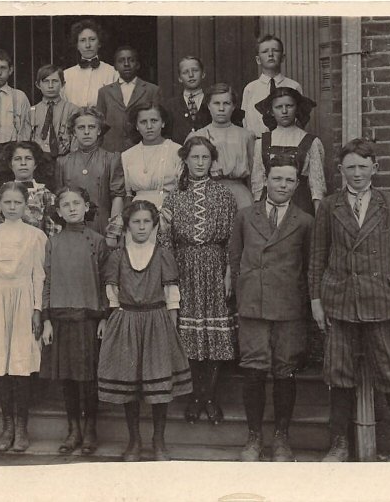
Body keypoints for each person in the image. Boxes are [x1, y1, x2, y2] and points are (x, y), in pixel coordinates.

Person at [309, 138, 390, 462]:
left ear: (375, 168)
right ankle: (340, 443)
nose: (356, 173)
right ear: (340, 170)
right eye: (350, 167)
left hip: (381, 299)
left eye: (363, 166)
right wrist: (316, 299)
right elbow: (317, 256)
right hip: (340, 299)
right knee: (339, 372)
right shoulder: (330, 206)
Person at [229, 154, 314, 462]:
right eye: (277, 178)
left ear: (297, 184)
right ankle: (253, 438)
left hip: (288, 308)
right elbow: (234, 259)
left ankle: (281, 438)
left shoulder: (304, 221)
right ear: (265, 180)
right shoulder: (245, 216)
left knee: (284, 371)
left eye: (290, 180)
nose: (283, 185)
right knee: (253, 371)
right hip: (253, 304)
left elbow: (309, 267)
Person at [98, 200, 192, 462]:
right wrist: (116, 321)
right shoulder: (117, 256)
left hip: (157, 322)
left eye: (146, 222)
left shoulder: (163, 254)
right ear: (127, 225)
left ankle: (158, 440)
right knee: (130, 384)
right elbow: (112, 294)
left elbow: (172, 294)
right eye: (136, 222)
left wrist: (171, 327)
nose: (141, 227)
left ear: (154, 225)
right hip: (126, 321)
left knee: (158, 383)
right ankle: (134, 440)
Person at [159, 136, 236, 426]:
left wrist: (229, 272)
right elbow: (165, 241)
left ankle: (210, 396)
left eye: (205, 158)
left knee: (214, 336)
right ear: (186, 160)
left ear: (212, 161)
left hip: (215, 267)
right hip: (185, 268)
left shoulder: (224, 195)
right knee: (190, 335)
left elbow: (232, 239)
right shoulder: (174, 196)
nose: (200, 163)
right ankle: (194, 397)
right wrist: (170, 279)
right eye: (195, 158)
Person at [0, 182, 48, 453]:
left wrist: (38, 309)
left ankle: (21, 427)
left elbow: (39, 275)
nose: (13, 207)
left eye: (18, 203)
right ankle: (6, 426)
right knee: (0, 364)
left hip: (24, 300)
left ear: (26, 205)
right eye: (7, 203)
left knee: (20, 362)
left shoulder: (35, 236)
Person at [40, 187, 110, 455]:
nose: (71, 208)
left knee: (87, 378)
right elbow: (46, 282)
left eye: (77, 203)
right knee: (67, 377)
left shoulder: (97, 241)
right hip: (60, 318)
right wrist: (46, 320)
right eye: (66, 205)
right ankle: (73, 429)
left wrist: (104, 316)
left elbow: (106, 282)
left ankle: (91, 428)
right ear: (58, 212)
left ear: (86, 206)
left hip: (87, 318)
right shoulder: (53, 242)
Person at [54, 107, 125, 245]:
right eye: (81, 128)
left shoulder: (111, 159)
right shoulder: (63, 162)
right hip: (72, 226)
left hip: (101, 225)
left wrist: (112, 233)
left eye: (91, 127)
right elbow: (59, 199)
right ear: (74, 132)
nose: (86, 132)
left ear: (99, 131)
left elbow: (117, 196)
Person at [251, 86, 326, 216]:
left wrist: (319, 219)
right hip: (270, 205)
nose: (284, 111)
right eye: (279, 107)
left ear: (296, 108)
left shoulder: (311, 142)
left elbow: (317, 186)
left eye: (289, 106)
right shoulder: (262, 142)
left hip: (301, 205)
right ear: (271, 111)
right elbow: (258, 181)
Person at [187, 83, 256, 210]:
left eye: (226, 103)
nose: (221, 108)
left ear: (234, 106)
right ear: (208, 105)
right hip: (206, 194)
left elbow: (254, 172)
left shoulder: (246, 136)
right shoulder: (197, 136)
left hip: (240, 196)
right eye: (216, 103)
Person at [0, 141, 59, 237]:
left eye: (28, 158)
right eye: (17, 159)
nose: (23, 163)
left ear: (35, 164)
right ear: (10, 164)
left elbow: (52, 232)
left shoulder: (45, 195)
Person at [96, 46, 160, 153]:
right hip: (111, 151)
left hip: (142, 150)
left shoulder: (151, 90)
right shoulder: (104, 92)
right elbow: (99, 126)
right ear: (115, 66)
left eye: (131, 60)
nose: (126, 64)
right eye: (121, 61)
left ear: (138, 65)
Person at [121, 102, 182, 211]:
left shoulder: (177, 151)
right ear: (136, 126)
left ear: (163, 123)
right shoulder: (127, 155)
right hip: (137, 213)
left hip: (170, 209)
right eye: (143, 122)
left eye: (154, 121)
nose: (149, 126)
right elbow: (128, 194)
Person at [241, 34, 303, 139]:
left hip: (288, 141)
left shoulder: (294, 86)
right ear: (258, 60)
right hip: (258, 143)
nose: (270, 54)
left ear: (283, 58)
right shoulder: (250, 89)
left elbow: (301, 119)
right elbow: (245, 122)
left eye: (275, 50)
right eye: (265, 51)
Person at [62, 19, 118, 108]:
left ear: (99, 43)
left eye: (92, 39)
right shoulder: (66, 75)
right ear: (77, 45)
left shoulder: (112, 73)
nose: (87, 45)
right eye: (83, 40)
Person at [30, 64, 79, 159]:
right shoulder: (32, 111)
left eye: (55, 81)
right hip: (39, 159)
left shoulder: (73, 110)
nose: (50, 86)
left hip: (65, 158)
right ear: (38, 85)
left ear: (63, 84)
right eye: (46, 81)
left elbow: (76, 139)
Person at [162, 56, 212, 145]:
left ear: (203, 74)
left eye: (195, 70)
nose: (191, 75)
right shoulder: (170, 105)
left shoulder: (212, 101)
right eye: (185, 72)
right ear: (180, 78)